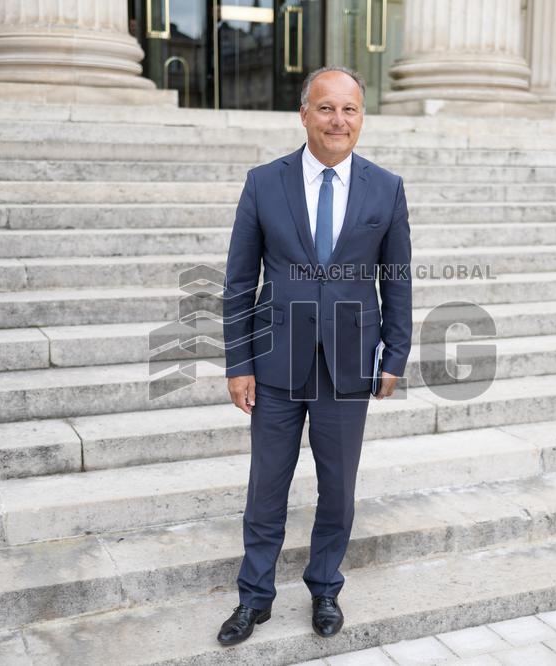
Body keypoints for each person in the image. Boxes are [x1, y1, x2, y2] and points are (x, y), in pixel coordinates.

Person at [217, 65, 412, 646]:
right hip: (276, 363)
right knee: (266, 488)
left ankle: (325, 587)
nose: (338, 120)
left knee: (338, 489)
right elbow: (238, 282)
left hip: (348, 365)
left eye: (349, 109)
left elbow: (396, 280)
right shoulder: (263, 183)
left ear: (362, 118)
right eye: (326, 108)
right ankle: (254, 597)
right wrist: (238, 363)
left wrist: (395, 355)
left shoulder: (386, 188)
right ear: (304, 114)